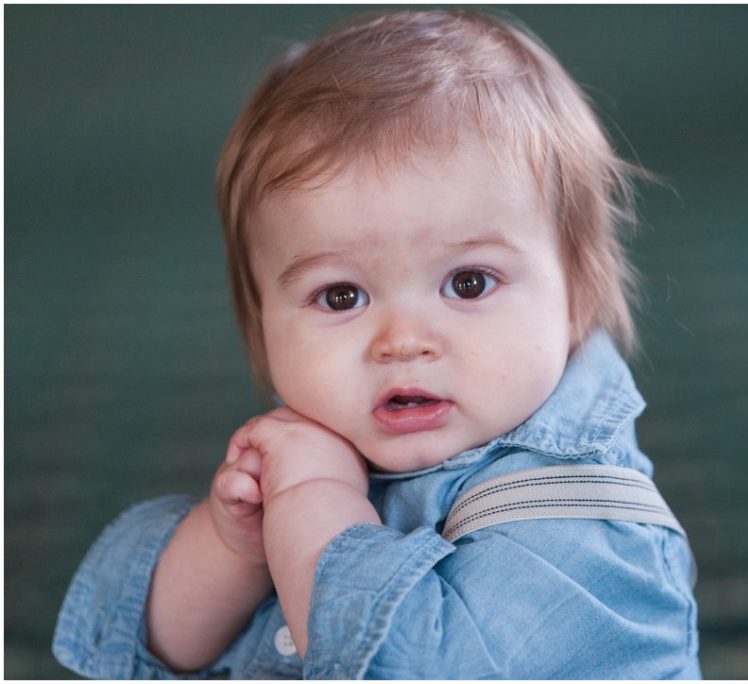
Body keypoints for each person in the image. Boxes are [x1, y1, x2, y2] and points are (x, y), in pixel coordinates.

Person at [52, 8, 701, 679]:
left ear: (577, 298)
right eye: (341, 296)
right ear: (261, 320)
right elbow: (150, 645)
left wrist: (312, 506)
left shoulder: (580, 520)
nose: (402, 341)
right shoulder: (316, 442)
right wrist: (231, 548)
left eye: (468, 283)